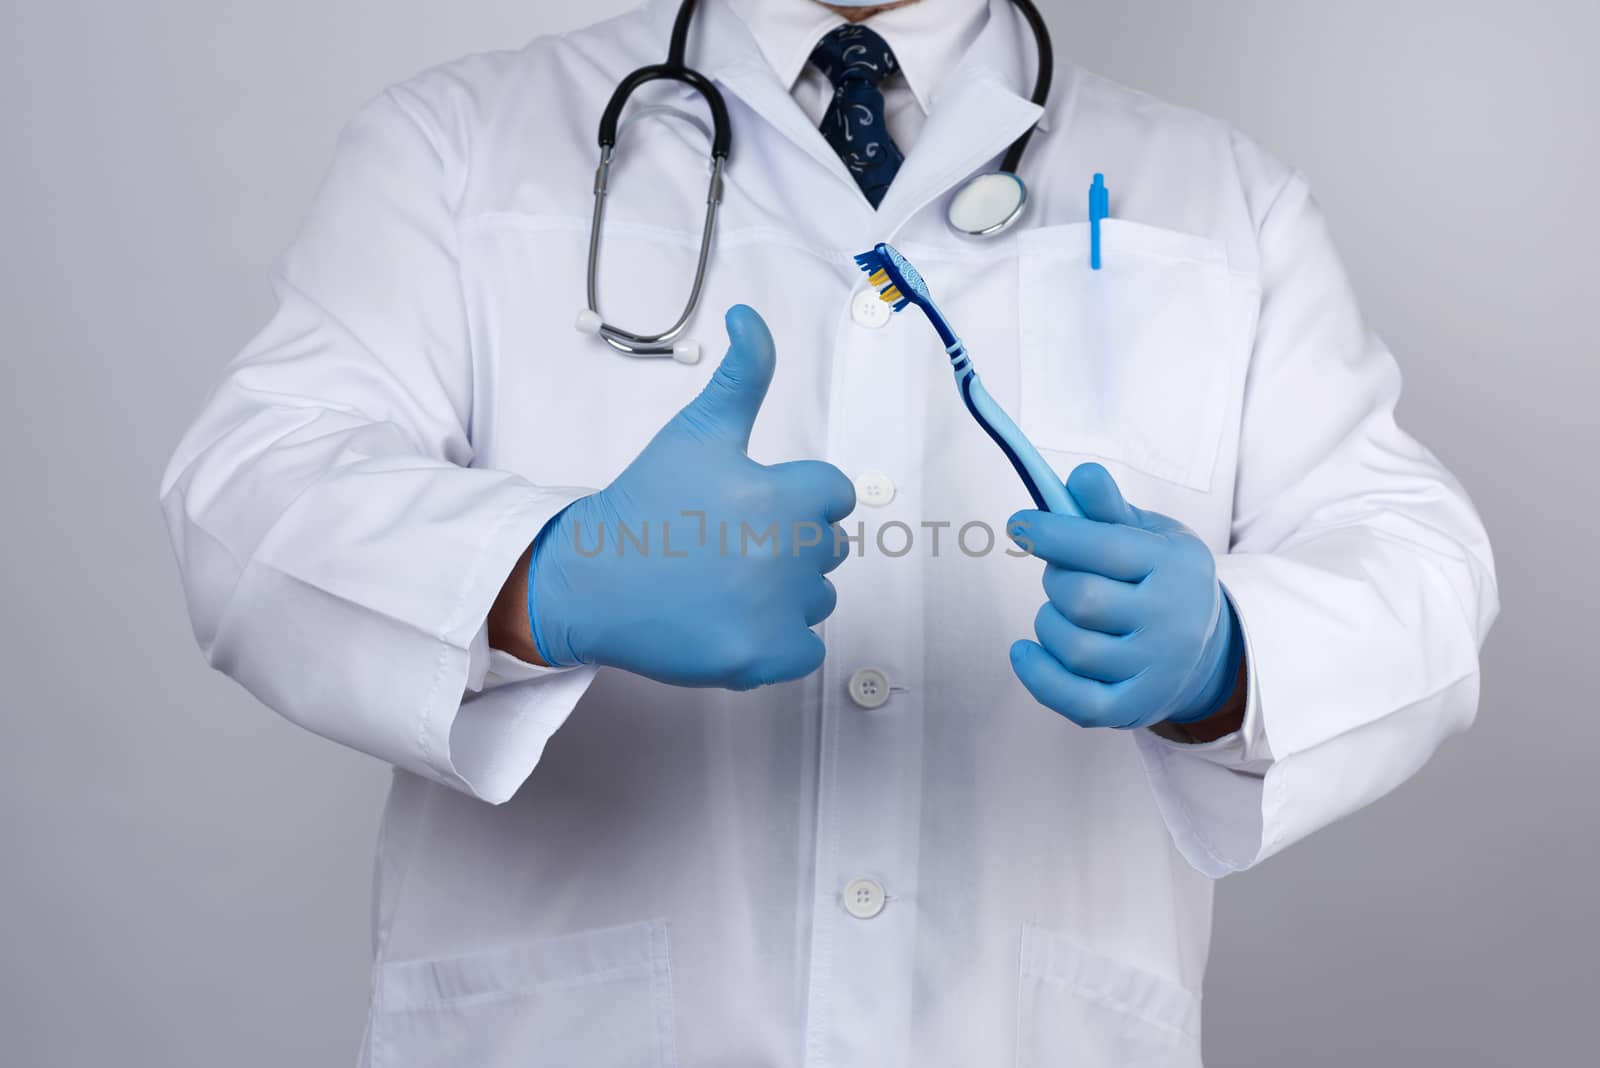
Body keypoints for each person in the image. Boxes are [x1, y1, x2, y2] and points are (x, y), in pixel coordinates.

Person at [159, 0, 1498, 1063]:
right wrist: (545, 574)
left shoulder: (1220, 199)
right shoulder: (460, 146)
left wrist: (1232, 656)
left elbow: (1420, 561)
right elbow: (247, 492)